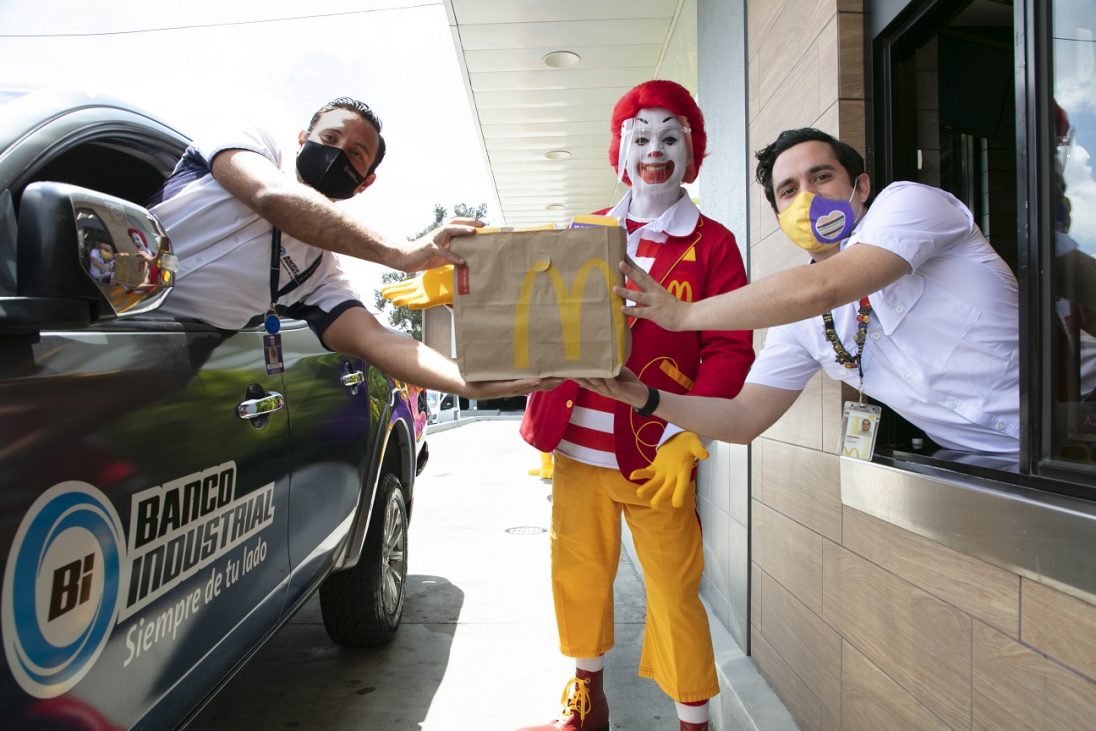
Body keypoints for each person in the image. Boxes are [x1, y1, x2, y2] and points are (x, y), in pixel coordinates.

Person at [514, 81, 754, 731]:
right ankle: (586, 703)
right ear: (620, 150)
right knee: (579, 574)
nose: (654, 151)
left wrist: (688, 429)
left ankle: (693, 721)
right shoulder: (581, 230)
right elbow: (541, 324)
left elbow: (730, 348)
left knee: (675, 591)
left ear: (692, 151)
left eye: (670, 137)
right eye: (640, 137)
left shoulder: (714, 245)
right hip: (576, 448)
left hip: (659, 452)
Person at [580, 127, 1021, 456]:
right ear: (779, 218)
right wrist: (643, 397)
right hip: (993, 467)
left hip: (1075, 427)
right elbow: (743, 419)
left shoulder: (910, 205)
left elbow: (823, 288)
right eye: (788, 191)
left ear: (860, 186)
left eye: (822, 177)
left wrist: (684, 315)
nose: (807, 198)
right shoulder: (802, 323)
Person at [149, 96, 543, 399]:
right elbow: (271, 196)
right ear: (304, 140)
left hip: (155, 362)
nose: (338, 152)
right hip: (98, 310)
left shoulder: (319, 274)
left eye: (355, 154)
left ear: (364, 183)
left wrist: (467, 382)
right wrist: (399, 253)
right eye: (330, 138)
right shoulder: (251, 140)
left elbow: (377, 339)